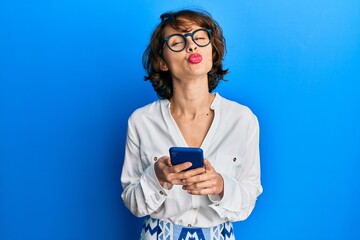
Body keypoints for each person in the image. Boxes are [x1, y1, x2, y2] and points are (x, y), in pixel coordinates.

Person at [121, 9, 263, 240]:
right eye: (177, 41)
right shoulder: (141, 121)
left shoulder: (242, 119)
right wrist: (156, 177)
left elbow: (248, 200)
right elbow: (133, 203)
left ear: (212, 51)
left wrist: (220, 185)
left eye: (200, 38)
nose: (191, 46)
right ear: (161, 62)